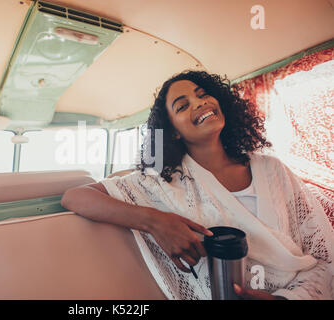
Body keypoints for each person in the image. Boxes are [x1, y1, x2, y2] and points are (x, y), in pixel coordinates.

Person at [61, 70, 333, 300]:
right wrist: (156, 222)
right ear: (174, 131)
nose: (200, 103)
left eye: (203, 95)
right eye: (182, 105)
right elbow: (75, 197)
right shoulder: (162, 183)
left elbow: (323, 257)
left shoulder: (272, 169)